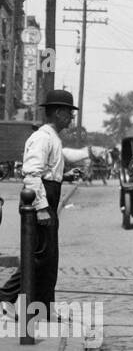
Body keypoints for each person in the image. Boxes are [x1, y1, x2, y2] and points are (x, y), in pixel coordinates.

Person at [0, 89, 78, 317]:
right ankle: (5, 297)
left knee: (47, 259)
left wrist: (65, 176)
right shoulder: (43, 138)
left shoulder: (52, 137)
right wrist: (41, 207)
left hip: (48, 198)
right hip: (39, 202)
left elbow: (46, 173)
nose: (71, 118)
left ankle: (42, 309)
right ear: (58, 113)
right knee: (37, 257)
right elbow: (32, 174)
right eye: (68, 113)